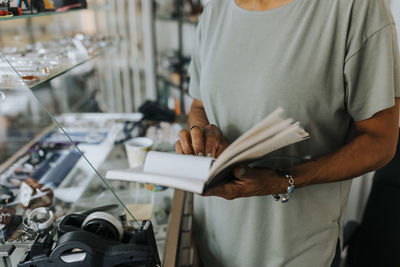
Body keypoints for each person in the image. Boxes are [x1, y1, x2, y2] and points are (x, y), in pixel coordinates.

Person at [175, 0, 400, 266]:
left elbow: (381, 140)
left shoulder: (355, 7)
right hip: (212, 244)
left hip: (299, 252)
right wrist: (201, 132)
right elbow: (200, 104)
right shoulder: (216, 9)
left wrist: (284, 181)